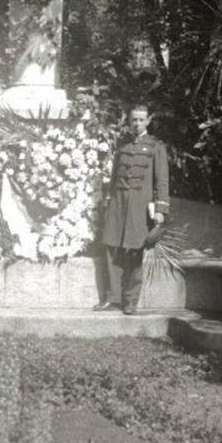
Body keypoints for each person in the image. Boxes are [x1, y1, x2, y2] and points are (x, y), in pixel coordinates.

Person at [95, 104, 169, 314]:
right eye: (133, 120)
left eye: (140, 120)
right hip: (118, 204)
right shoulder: (123, 144)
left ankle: (130, 301)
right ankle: (113, 298)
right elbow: (113, 177)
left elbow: (162, 181)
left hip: (139, 206)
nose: (136, 124)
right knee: (111, 246)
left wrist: (160, 210)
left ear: (148, 121)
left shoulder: (156, 147)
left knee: (135, 250)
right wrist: (109, 200)